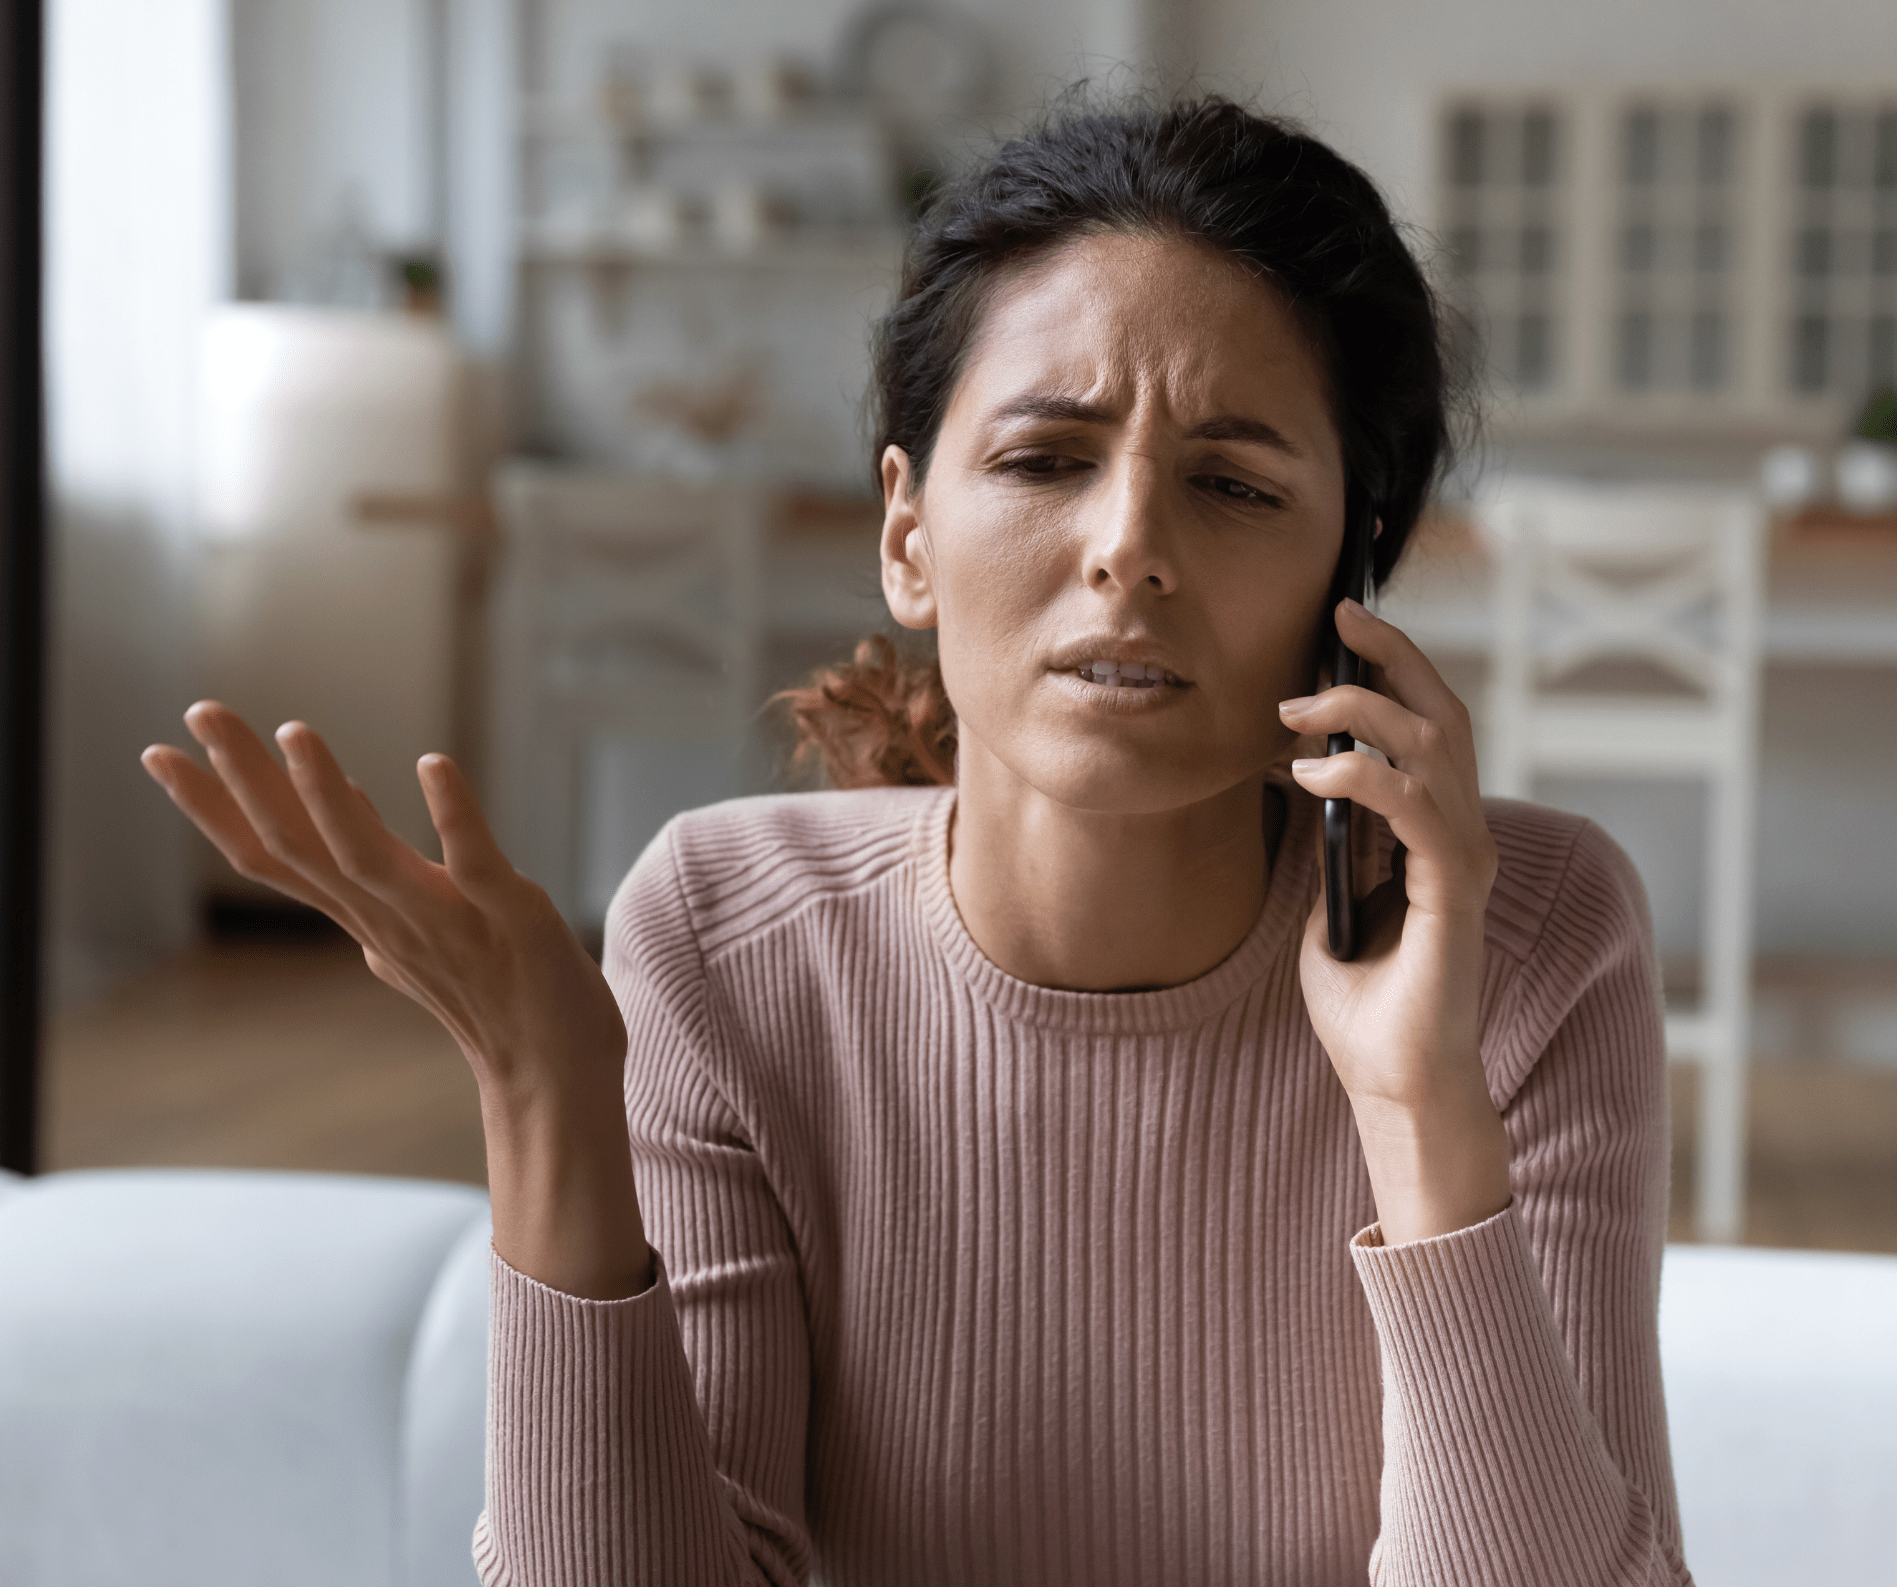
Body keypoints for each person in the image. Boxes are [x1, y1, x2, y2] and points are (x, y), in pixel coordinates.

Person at [143, 96, 1691, 1586]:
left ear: (1348, 579)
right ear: (908, 534)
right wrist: (548, 1093)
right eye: (1044, 459)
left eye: (1233, 484)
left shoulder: (1525, 938)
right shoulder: (724, 936)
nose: (1129, 547)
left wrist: (1419, 1105)